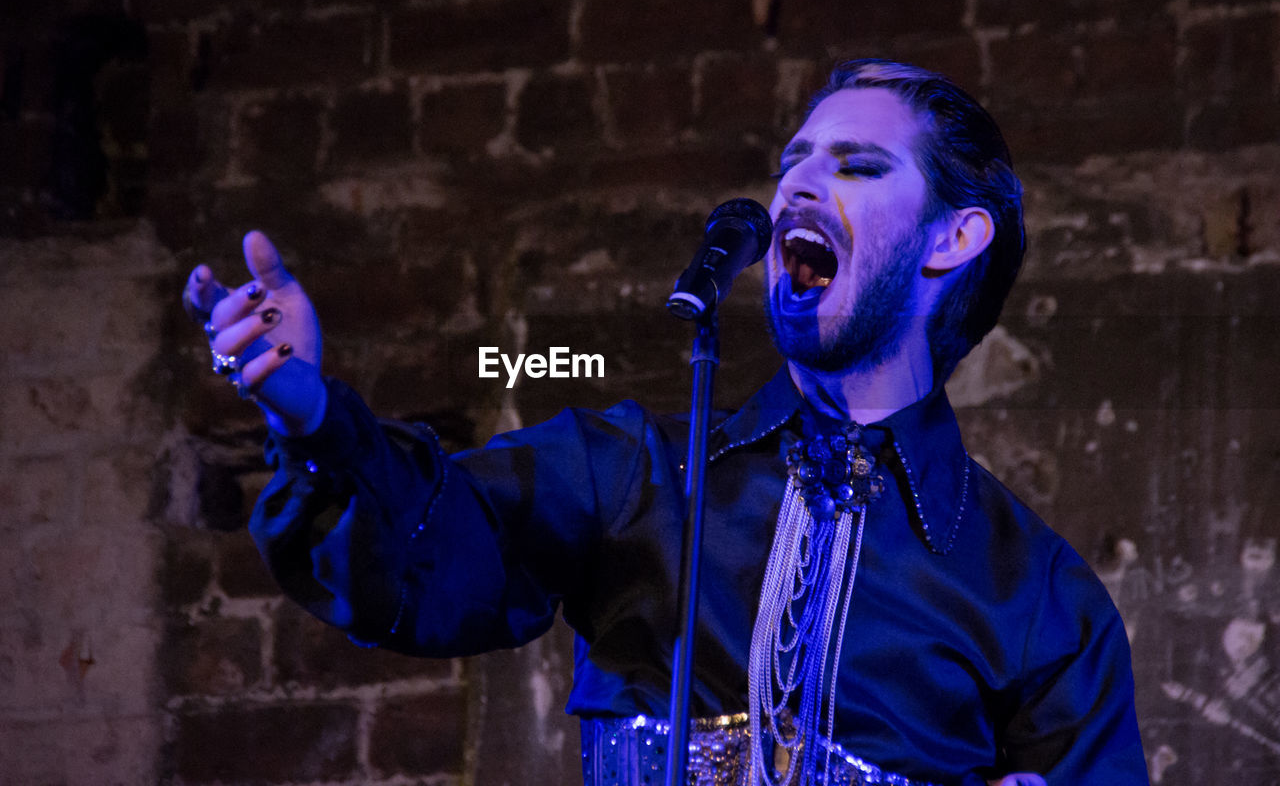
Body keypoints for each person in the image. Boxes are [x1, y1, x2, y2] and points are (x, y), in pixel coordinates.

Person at [184, 60, 1148, 786]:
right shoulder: (630, 474)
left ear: (954, 236)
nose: (798, 189)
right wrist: (316, 417)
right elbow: (428, 564)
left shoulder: (1042, 603)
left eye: (855, 165)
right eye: (793, 162)